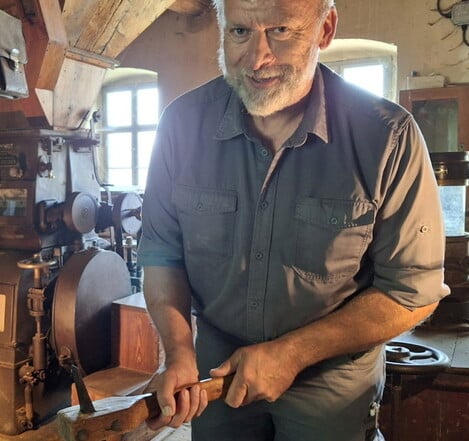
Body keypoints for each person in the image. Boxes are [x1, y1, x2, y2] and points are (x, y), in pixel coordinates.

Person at [136, 0, 450, 440]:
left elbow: (412, 292)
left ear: (325, 29)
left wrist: (294, 353)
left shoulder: (387, 138)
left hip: (331, 391)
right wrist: (177, 353)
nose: (258, 58)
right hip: (215, 381)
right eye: (240, 32)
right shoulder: (180, 126)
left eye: (281, 31)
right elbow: (162, 255)